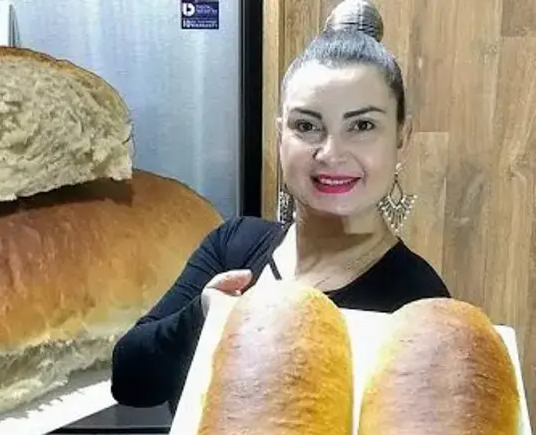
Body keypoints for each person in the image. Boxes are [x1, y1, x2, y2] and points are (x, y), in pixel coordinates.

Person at [110, 0, 449, 413]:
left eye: (362, 126)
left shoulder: (418, 303)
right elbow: (129, 382)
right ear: (280, 136)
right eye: (307, 126)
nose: (330, 152)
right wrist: (202, 316)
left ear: (401, 136)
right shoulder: (234, 245)